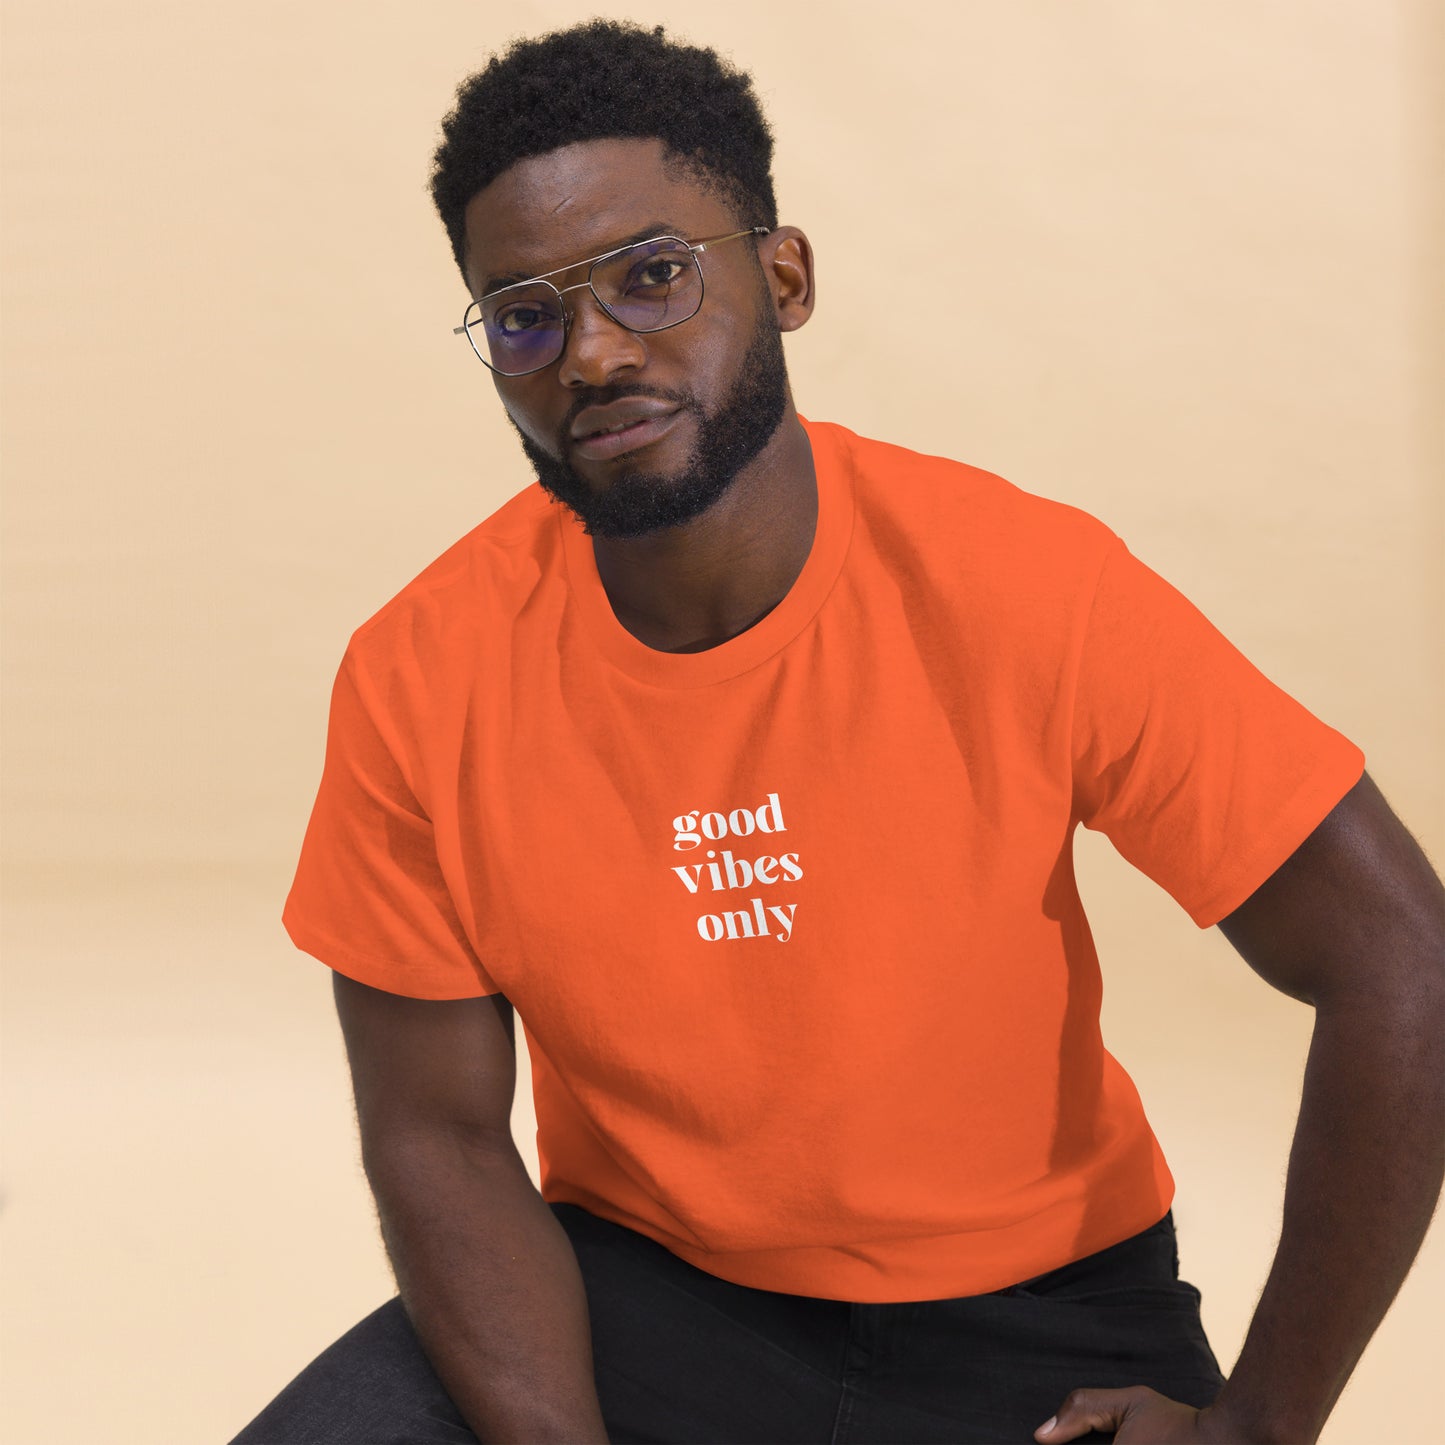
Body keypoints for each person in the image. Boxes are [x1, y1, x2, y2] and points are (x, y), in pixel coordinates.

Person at [232, 20, 1445, 1445]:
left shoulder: (1023, 585)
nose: (594, 352)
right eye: (523, 316)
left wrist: (1260, 1423)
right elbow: (433, 1129)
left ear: (784, 276)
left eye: (653, 275)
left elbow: (1400, 959)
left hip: (1037, 1323)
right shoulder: (418, 671)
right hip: (644, 1299)